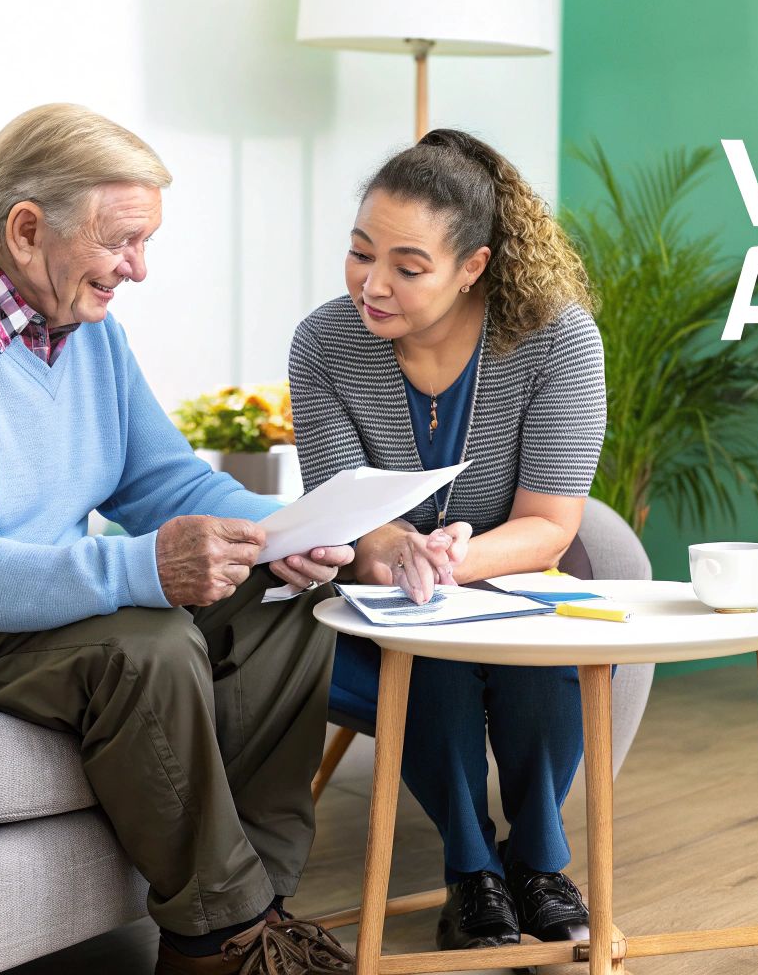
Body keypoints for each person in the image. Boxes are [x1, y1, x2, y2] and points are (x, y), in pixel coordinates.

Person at [0, 103, 354, 975]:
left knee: (287, 601)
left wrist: (277, 537)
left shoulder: (84, 327)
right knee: (144, 645)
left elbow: (163, 480)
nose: (140, 268)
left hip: (12, 607)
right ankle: (218, 941)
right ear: (27, 229)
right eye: (123, 241)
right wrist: (144, 566)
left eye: (146, 242)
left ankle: (258, 917)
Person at [288, 128, 606, 954]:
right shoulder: (323, 345)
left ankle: (537, 862)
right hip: (382, 583)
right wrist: (401, 554)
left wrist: (453, 559)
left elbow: (551, 523)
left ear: (472, 267)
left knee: (532, 652)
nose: (372, 284)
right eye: (360, 253)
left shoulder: (557, 339)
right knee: (426, 649)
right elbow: (347, 511)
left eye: (407, 266)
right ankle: (472, 871)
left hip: (516, 565)